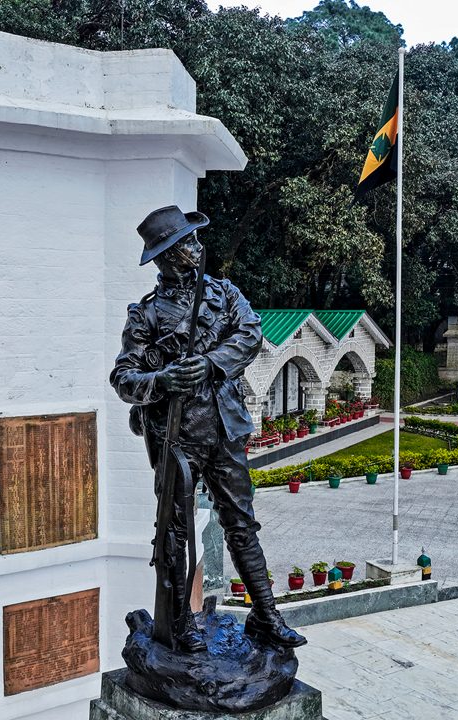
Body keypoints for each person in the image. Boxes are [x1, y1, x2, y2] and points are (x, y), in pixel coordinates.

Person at [110, 205, 306, 652]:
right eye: (187, 244)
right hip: (175, 438)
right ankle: (179, 624)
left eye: (195, 240)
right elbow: (123, 378)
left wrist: (212, 363)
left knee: (241, 523)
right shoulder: (146, 316)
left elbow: (251, 333)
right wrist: (160, 380)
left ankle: (266, 615)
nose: (197, 247)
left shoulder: (223, 293)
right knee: (175, 533)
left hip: (223, 428)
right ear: (166, 256)